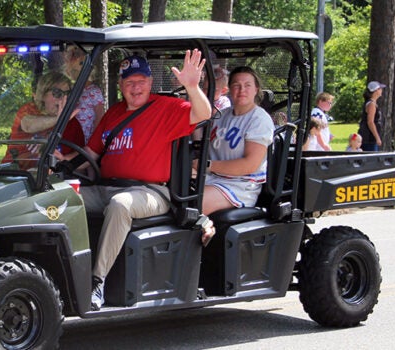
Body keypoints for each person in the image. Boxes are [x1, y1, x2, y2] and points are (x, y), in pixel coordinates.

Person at [59, 50, 213, 311]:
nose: (135, 87)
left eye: (141, 81)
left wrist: (192, 87)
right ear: (120, 86)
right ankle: (62, 273)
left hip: (149, 192)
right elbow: (92, 154)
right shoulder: (113, 113)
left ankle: (98, 281)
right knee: (59, 200)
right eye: (129, 82)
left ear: (150, 83)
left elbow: (203, 113)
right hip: (107, 186)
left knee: (121, 204)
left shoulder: (166, 109)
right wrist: (59, 161)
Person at [201, 66, 274, 222]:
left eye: (247, 85)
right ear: (229, 89)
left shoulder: (259, 119)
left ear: (256, 89)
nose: (242, 90)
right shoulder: (222, 115)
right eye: (236, 85)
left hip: (240, 186)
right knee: (173, 194)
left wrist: (207, 165)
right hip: (211, 178)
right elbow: (202, 144)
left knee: (193, 203)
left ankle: (205, 229)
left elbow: (249, 165)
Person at [1, 71, 84, 169]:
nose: (63, 98)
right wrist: (59, 119)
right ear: (43, 94)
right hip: (15, 174)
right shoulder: (29, 110)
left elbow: (82, 155)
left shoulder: (73, 123)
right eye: (57, 93)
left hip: (49, 179)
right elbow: (28, 125)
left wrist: (63, 160)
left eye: (67, 93)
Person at [64, 45, 105, 143]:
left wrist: (93, 143)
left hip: (86, 142)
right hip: (71, 139)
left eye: (75, 70)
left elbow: (100, 118)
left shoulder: (93, 91)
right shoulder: (71, 90)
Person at [358, 81, 386, 151]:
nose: (381, 91)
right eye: (380, 89)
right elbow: (370, 122)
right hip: (369, 138)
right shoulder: (371, 104)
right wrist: (377, 137)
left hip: (368, 137)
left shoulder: (372, 103)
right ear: (376, 90)